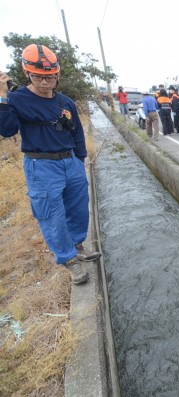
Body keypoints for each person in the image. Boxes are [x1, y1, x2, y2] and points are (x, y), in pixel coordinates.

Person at [0, 44, 100, 285]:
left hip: (70, 161)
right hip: (41, 165)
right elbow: (7, 129)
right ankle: (68, 260)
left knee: (78, 207)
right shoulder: (16, 99)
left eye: (49, 77)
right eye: (38, 77)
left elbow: (76, 132)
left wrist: (80, 159)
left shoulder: (65, 102)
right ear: (27, 74)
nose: (45, 83)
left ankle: (77, 245)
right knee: (51, 214)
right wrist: (2, 98)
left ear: (57, 74)